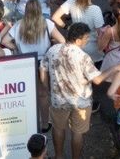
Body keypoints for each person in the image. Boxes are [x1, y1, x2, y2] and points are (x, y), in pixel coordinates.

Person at [42, 22, 113, 159]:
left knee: (58, 128)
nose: (87, 41)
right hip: (81, 101)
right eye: (86, 38)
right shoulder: (83, 57)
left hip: (58, 99)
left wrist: (47, 88)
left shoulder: (53, 50)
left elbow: (43, 69)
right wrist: (113, 69)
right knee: (77, 133)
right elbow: (97, 80)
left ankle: (59, 156)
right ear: (78, 40)